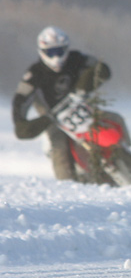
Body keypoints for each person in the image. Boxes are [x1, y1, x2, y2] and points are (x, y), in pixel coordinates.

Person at [12, 26, 112, 180]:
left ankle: (123, 152)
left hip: (81, 105)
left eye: (59, 51)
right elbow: (20, 100)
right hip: (54, 119)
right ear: (42, 51)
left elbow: (100, 67)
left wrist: (85, 86)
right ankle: (67, 184)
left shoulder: (77, 58)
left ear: (66, 48)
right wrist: (20, 122)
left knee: (113, 119)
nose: (56, 57)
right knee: (60, 148)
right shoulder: (34, 74)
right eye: (50, 52)